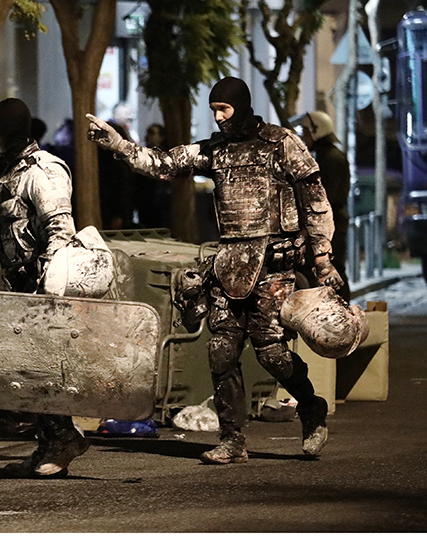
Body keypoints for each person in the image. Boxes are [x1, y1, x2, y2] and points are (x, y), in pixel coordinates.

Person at [87, 76, 343, 463]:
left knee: (272, 354)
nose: (219, 117)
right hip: (229, 267)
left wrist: (322, 259)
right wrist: (119, 145)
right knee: (221, 352)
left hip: (273, 267)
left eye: (223, 109)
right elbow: (163, 163)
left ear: (241, 105)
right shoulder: (215, 151)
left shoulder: (282, 143)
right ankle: (232, 440)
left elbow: (315, 198)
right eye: (214, 111)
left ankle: (311, 408)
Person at [0, 98, 90, 477]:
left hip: (42, 289)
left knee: (42, 369)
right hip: (21, 284)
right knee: (31, 370)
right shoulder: (12, 171)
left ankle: (63, 440)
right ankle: (52, 443)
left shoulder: (43, 171)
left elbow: (60, 230)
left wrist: (47, 289)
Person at [294, 111, 351, 301]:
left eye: (305, 131)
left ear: (316, 131)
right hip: (328, 223)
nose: (304, 136)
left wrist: (310, 226)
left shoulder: (331, 159)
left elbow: (326, 197)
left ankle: (342, 309)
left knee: (331, 270)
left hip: (330, 224)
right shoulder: (325, 156)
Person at [134, 124, 172, 229]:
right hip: (145, 202)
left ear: (161, 137)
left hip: (160, 203)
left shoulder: (166, 156)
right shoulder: (142, 155)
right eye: (148, 133)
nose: (148, 136)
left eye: (152, 133)